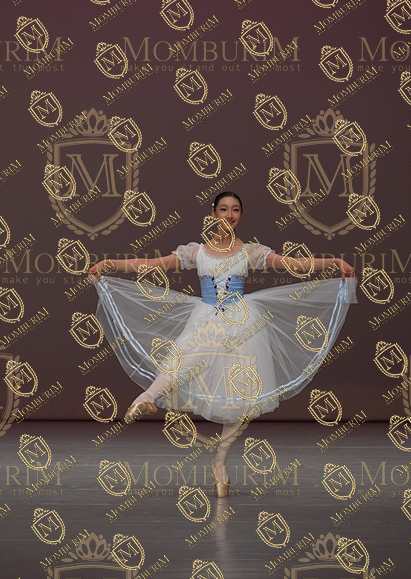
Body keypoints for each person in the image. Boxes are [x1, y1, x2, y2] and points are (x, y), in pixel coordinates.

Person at [88, 191, 357, 496]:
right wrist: (110, 263)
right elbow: (152, 265)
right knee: (182, 358)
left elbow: (293, 263)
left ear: (242, 215)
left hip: (242, 324)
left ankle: (220, 461)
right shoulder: (197, 252)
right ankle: (147, 396)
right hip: (206, 317)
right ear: (213, 213)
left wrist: (333, 262)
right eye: (224, 209)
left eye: (236, 210)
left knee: (241, 401)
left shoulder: (250, 252)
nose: (230, 215)